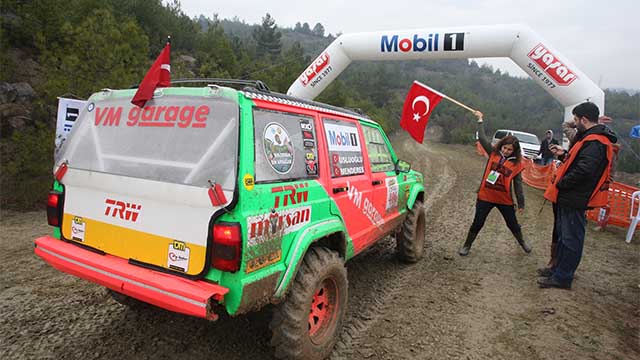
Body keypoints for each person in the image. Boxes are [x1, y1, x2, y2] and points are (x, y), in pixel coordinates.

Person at [538, 102, 617, 289]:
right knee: (565, 236)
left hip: (575, 197)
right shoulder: (588, 138)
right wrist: (564, 155)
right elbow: (578, 163)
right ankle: (557, 269)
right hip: (570, 196)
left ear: (583, 119)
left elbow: (585, 170)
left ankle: (563, 277)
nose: (574, 123)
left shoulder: (596, 141)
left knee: (571, 238)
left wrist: (563, 183)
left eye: (576, 119)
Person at [459, 110, 532, 256]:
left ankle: (522, 242)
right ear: (501, 146)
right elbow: (482, 138)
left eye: (509, 150)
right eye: (504, 148)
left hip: (504, 200)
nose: (506, 151)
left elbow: (518, 186)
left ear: (514, 151)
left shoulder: (517, 165)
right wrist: (480, 120)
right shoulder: (493, 153)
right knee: (478, 223)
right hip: (485, 196)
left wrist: (521, 203)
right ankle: (467, 245)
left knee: (512, 224)